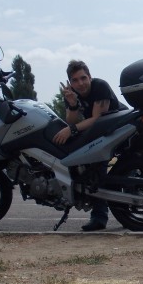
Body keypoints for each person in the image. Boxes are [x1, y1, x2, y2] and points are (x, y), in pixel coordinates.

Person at [53, 60, 127, 231]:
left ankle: (105, 216)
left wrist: (70, 130)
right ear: (70, 82)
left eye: (83, 78)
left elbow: (96, 119)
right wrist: (72, 104)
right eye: (75, 80)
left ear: (90, 77)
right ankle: (115, 213)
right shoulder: (71, 94)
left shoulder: (100, 86)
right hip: (102, 133)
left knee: (102, 169)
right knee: (91, 169)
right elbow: (71, 119)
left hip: (120, 128)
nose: (80, 83)